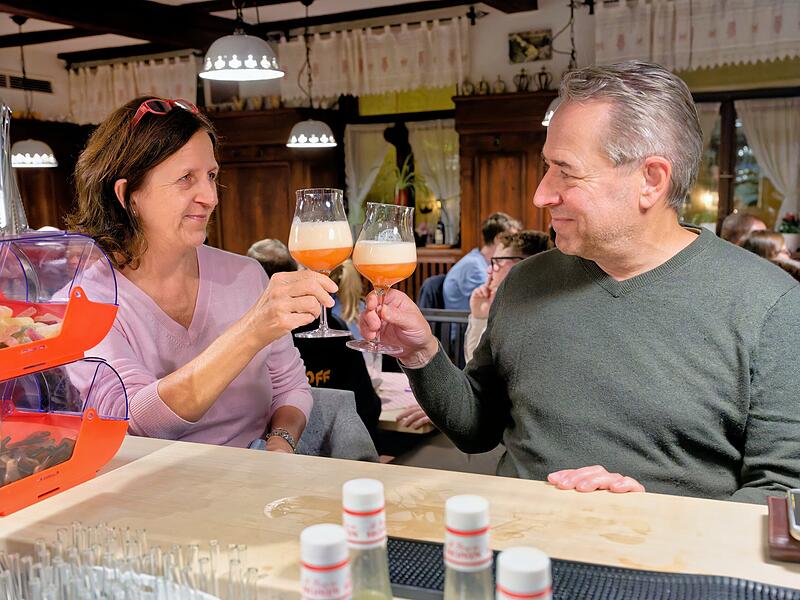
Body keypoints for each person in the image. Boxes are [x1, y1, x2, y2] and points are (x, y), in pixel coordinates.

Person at [359, 61, 800, 504]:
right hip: (513, 550)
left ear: (650, 180)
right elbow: (477, 428)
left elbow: (784, 490)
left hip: (670, 567)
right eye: (546, 167)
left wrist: (658, 516)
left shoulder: (770, 305)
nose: (541, 194)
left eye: (566, 171)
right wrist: (421, 355)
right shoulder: (527, 281)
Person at [67, 97, 337, 450]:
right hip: (152, 488)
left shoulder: (246, 274)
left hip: (257, 474)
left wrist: (279, 446)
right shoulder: (88, 297)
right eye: (186, 179)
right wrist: (252, 331)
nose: (210, 197)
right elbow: (132, 420)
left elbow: (291, 388)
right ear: (127, 194)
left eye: (211, 176)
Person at [465, 230, 552, 363]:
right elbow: (474, 369)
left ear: (523, 264)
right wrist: (480, 317)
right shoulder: (507, 307)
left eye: (497, 262)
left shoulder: (539, 315)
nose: (489, 270)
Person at [442, 212, 520, 310]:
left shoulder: (481, 260)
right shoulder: (473, 266)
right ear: (498, 239)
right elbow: (493, 301)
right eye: (511, 239)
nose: (514, 244)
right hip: (464, 322)